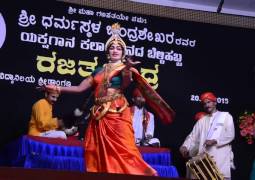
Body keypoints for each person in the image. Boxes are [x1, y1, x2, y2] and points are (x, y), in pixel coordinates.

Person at [43, 23, 174, 176]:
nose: (115, 50)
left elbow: (125, 83)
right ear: (107, 52)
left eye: (119, 48)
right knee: (99, 152)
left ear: (123, 52)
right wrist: (57, 87)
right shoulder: (98, 70)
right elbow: (80, 88)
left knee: (125, 150)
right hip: (99, 115)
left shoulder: (125, 69)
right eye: (112, 48)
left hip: (117, 112)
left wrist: (126, 68)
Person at [180, 92, 235, 180]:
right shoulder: (201, 121)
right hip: (204, 161)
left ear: (215, 102)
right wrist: (185, 146)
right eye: (204, 103)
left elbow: (230, 134)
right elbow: (192, 137)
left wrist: (215, 140)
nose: (207, 105)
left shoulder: (226, 116)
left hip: (220, 158)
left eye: (209, 102)